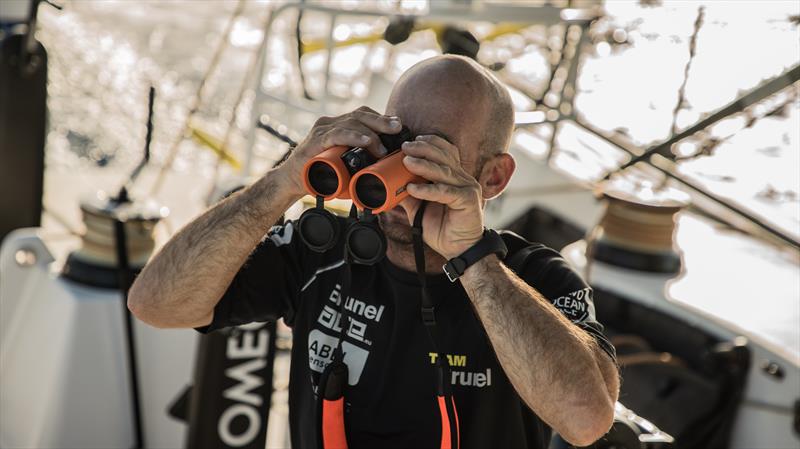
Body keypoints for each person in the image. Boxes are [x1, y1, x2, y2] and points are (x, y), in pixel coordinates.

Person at [128, 55, 619, 448]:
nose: (401, 171)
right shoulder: (322, 249)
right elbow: (155, 303)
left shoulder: (535, 278)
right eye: (396, 141)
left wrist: (472, 259)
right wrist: (283, 181)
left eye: (432, 153)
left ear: (492, 177)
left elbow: (586, 422)